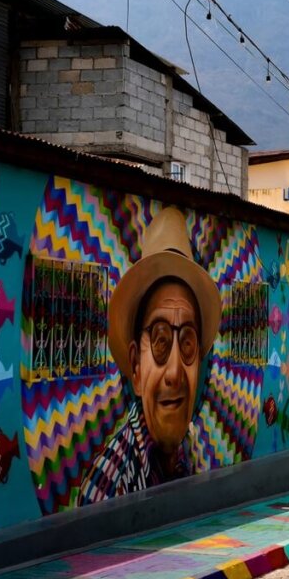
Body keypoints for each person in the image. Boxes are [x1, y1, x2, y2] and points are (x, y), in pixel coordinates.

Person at [79, 207, 221, 505]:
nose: (174, 372)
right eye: (159, 341)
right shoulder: (109, 484)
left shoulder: (194, 451)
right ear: (136, 367)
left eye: (187, 343)